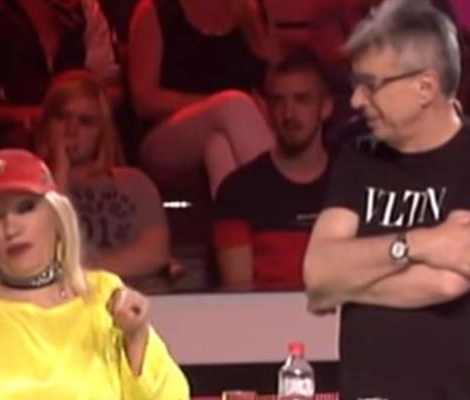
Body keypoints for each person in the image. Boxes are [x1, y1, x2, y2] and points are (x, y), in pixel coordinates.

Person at [303, 1, 470, 399]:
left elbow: (447, 280)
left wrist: (347, 282)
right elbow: (317, 274)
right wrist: (420, 244)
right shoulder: (357, 157)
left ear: (425, 86)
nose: (356, 100)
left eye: (371, 84)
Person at [0, 148, 190, 399]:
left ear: (57, 216)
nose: (11, 228)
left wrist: (136, 338)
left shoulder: (104, 295)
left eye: (25, 208)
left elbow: (171, 396)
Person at [0, 0, 120, 193]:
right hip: (4, 152)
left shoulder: (86, 10)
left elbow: (111, 87)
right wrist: (28, 116)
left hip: (84, 153)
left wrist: (81, 108)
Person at [128, 0, 276, 196]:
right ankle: (286, 204)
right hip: (164, 135)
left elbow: (268, 84)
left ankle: (235, 215)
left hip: (234, 129)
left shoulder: (249, 10)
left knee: (218, 147)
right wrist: (216, 105)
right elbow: (144, 100)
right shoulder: (157, 10)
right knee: (234, 104)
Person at [213, 49, 333, 290]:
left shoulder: (354, 181)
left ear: (326, 107)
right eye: (279, 101)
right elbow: (238, 293)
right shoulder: (237, 191)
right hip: (265, 313)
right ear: (267, 111)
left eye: (302, 100)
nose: (289, 114)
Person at [37, 70, 172, 282]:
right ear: (47, 124)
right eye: (62, 117)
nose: (71, 131)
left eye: (85, 122)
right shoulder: (24, 185)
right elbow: (43, 255)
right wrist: (60, 173)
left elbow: (155, 253)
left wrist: (78, 271)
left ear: (102, 131)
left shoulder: (135, 183)